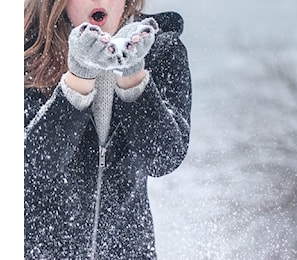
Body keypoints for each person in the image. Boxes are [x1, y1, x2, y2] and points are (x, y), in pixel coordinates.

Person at [24, 0, 192, 258]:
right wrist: (79, 77)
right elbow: (33, 162)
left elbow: (163, 158)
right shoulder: (26, 51)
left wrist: (133, 76)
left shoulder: (161, 51)